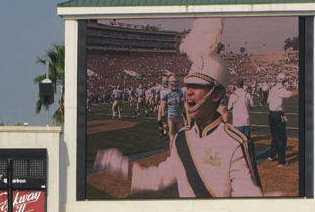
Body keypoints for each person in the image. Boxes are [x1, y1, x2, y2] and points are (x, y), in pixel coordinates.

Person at [96, 17, 262, 198]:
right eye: (188, 85)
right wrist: (121, 166)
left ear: (216, 95)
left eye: (197, 86)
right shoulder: (182, 138)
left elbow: (249, 202)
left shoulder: (235, 142)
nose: (188, 92)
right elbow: (157, 178)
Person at [267, 73, 299, 168]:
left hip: (271, 114)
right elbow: (289, 95)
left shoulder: (273, 89)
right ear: (284, 81)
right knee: (281, 138)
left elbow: (268, 101)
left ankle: (272, 155)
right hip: (277, 115)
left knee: (274, 136)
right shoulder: (281, 89)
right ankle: (281, 161)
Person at [160, 75, 185, 143]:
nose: (175, 84)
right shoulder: (166, 92)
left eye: (176, 82)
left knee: (181, 136)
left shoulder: (180, 92)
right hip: (170, 117)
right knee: (172, 137)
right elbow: (163, 107)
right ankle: (172, 152)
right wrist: (164, 119)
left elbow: (182, 106)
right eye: (174, 82)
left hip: (178, 117)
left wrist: (185, 117)